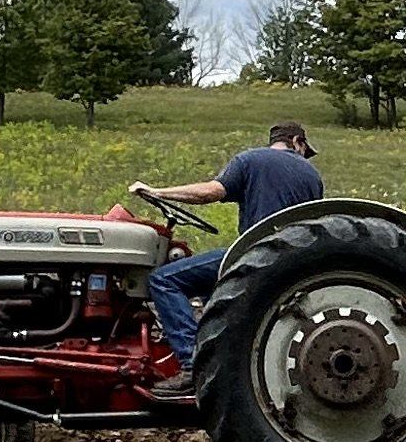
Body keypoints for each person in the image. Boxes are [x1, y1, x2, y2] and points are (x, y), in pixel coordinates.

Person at [132, 120, 321, 371]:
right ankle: (213, 348)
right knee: (200, 276)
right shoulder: (312, 176)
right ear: (297, 143)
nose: (303, 156)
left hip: (255, 256)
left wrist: (157, 192)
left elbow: (211, 192)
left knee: (163, 280)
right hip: (292, 261)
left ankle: (192, 364)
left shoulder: (251, 160)